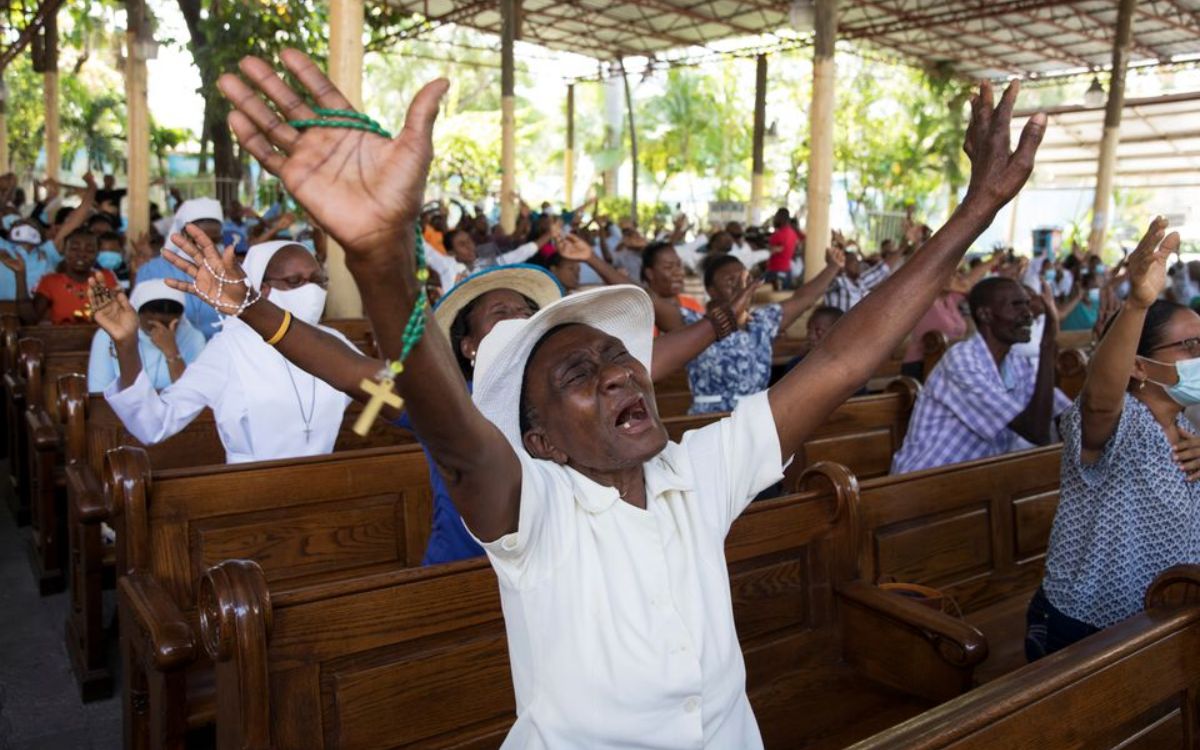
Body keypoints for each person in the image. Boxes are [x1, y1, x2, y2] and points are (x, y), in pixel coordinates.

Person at [216, 52, 1042, 747]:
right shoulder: (530, 507)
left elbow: (837, 359)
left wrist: (978, 207)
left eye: (618, 358)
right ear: (540, 440)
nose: (617, 374)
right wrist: (380, 258)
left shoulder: (698, 470)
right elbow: (455, 437)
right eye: (580, 377)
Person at [1027, 218, 1200, 660]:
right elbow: (1099, 401)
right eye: (1190, 347)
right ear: (1140, 367)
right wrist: (1137, 305)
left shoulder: (1189, 427)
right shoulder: (1119, 425)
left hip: (1163, 619)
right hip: (1088, 624)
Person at [91, 239, 357, 464]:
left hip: (325, 486)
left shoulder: (335, 341)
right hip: (249, 494)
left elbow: (381, 398)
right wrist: (126, 345)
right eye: (295, 281)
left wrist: (364, 429)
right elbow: (154, 425)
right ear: (261, 289)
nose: (311, 290)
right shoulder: (230, 348)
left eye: (318, 280)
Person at [891, 277, 1068, 475]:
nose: (1028, 314)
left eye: (1027, 304)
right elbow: (1037, 432)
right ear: (985, 315)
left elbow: (1064, 412)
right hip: (923, 483)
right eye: (1016, 305)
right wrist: (1047, 344)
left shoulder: (1016, 362)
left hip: (974, 483)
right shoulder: (962, 361)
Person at [684, 249, 843, 414]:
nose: (741, 286)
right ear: (711, 291)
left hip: (754, 419)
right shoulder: (697, 326)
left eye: (745, 279)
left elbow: (803, 299)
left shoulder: (763, 322)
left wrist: (833, 267)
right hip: (710, 420)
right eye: (730, 280)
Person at [87, 279, 205, 392]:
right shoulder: (107, 336)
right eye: (153, 318)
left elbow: (194, 395)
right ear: (136, 313)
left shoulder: (193, 338)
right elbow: (98, 391)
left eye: (171, 315)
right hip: (120, 411)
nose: (162, 324)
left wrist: (171, 351)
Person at [135, 198, 226, 339]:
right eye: (200, 239)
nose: (209, 246)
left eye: (215, 240)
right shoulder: (152, 270)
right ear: (184, 235)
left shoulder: (230, 272)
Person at [900, 253, 997, 380]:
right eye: (951, 274)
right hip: (920, 366)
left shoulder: (952, 298)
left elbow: (970, 283)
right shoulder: (925, 299)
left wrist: (995, 260)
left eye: (957, 273)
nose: (956, 277)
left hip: (949, 363)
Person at [6, 229, 119, 325]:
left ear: (97, 253)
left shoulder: (105, 278)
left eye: (89, 250)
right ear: (64, 251)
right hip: (60, 344)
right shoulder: (50, 281)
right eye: (74, 249)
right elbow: (30, 320)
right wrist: (20, 275)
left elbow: (118, 316)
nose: (81, 254)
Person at [642, 241, 704, 333]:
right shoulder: (641, 314)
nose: (679, 272)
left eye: (679, 265)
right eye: (668, 267)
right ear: (650, 273)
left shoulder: (691, 304)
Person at [824, 243, 902, 312]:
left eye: (858, 261)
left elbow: (882, 269)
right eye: (853, 260)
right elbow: (826, 282)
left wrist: (904, 246)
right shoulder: (837, 282)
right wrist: (833, 266)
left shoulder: (860, 282)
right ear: (843, 265)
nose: (858, 264)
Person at [765, 208, 801, 289]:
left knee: (772, 298)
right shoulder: (793, 233)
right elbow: (796, 246)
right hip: (787, 271)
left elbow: (773, 250)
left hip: (775, 271)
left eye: (776, 216)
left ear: (780, 218)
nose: (775, 219)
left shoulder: (778, 234)